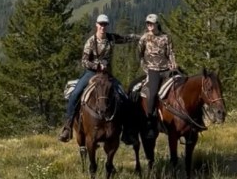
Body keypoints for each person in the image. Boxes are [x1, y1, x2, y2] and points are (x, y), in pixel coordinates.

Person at [58, 13, 139, 142]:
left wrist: (141, 37)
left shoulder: (111, 38)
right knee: (75, 94)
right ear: (96, 25)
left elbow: (125, 39)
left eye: (105, 24)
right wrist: (97, 65)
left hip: (107, 75)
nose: (103, 27)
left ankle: (127, 130)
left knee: (124, 97)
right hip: (91, 73)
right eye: (101, 24)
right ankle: (67, 127)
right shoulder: (91, 41)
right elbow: (84, 61)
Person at [138, 13, 178, 139]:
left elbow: (171, 52)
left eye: (152, 23)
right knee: (153, 92)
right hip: (153, 70)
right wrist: (145, 69)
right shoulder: (144, 38)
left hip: (166, 69)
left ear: (157, 24)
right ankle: (150, 121)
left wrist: (173, 63)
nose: (149, 25)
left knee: (181, 84)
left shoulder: (166, 37)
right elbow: (139, 54)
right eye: (148, 23)